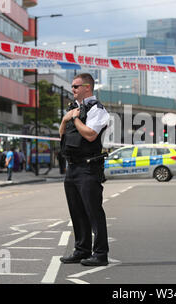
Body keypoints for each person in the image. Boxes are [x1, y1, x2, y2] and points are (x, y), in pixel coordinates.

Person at [59, 73, 110, 267]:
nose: (72, 89)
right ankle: (81, 250)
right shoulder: (74, 109)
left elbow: (90, 135)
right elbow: (62, 136)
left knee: (93, 212)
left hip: (89, 167)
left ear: (87, 87)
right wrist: (65, 121)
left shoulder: (97, 109)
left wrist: (76, 119)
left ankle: (100, 254)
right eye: (72, 86)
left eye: (76, 86)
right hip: (72, 167)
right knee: (77, 212)